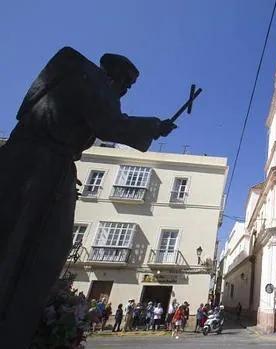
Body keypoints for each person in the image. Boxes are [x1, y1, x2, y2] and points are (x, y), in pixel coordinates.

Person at [0, 47, 177, 346]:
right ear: (114, 75)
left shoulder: (81, 80)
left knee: (43, 245)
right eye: (126, 84)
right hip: (40, 165)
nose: (124, 91)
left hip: (45, 164)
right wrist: (155, 126)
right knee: (33, 246)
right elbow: (110, 124)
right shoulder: (89, 81)